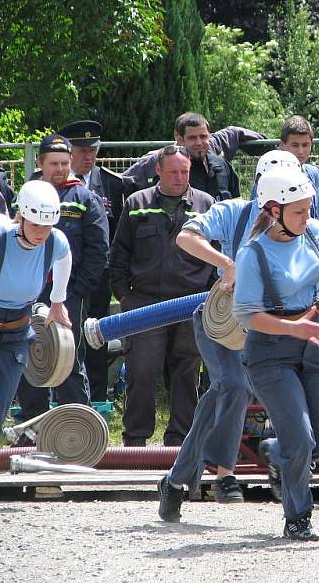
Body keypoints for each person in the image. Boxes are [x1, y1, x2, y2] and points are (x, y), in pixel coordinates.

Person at [155, 150, 302, 519]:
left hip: (264, 326)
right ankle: (224, 475)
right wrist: (227, 264)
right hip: (220, 323)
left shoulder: (303, 223)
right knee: (235, 386)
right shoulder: (235, 212)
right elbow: (186, 238)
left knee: (223, 394)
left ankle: (176, 480)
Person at [226, 167, 319, 541]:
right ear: (274, 210)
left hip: (314, 344)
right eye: (300, 212)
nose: (309, 218)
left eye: (309, 210)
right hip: (270, 352)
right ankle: (298, 518)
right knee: (302, 441)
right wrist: (293, 328)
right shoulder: (252, 254)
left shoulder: (310, 232)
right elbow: (247, 316)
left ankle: (275, 450)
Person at [109, 145, 215, 447]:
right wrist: (126, 298)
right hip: (145, 305)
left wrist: (207, 296)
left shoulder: (206, 204)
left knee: (186, 373)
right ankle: (135, 442)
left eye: (185, 171)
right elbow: (119, 257)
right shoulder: (137, 203)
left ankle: (181, 442)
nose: (180, 177)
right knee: (141, 372)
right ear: (158, 170)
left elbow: (217, 255)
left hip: (190, 303)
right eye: (173, 172)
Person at [15, 135, 109, 424]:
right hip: (27, 294)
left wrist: (76, 292)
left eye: (65, 163)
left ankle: (76, 425)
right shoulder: (25, 196)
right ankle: (34, 423)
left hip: (68, 297)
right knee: (29, 356)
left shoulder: (84, 198)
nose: (60, 169)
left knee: (67, 357)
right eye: (54, 163)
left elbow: (99, 250)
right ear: (40, 164)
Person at [0, 181, 72, 448]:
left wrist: (58, 302)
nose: (42, 233)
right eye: (35, 225)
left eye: (47, 226)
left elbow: (64, 258)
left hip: (16, 335)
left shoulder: (54, 242)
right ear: (21, 217)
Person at [56, 120, 133, 402]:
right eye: (81, 150)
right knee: (55, 342)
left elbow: (113, 237)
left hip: (96, 280)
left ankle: (97, 400)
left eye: (93, 149)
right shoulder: (46, 182)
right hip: (56, 279)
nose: (89, 156)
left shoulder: (113, 184)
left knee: (94, 337)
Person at [122, 112, 265, 200]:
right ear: (179, 138)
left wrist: (275, 148)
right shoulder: (159, 160)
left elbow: (233, 133)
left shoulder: (220, 162)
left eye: (203, 136)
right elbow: (123, 182)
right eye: (192, 138)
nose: (199, 143)